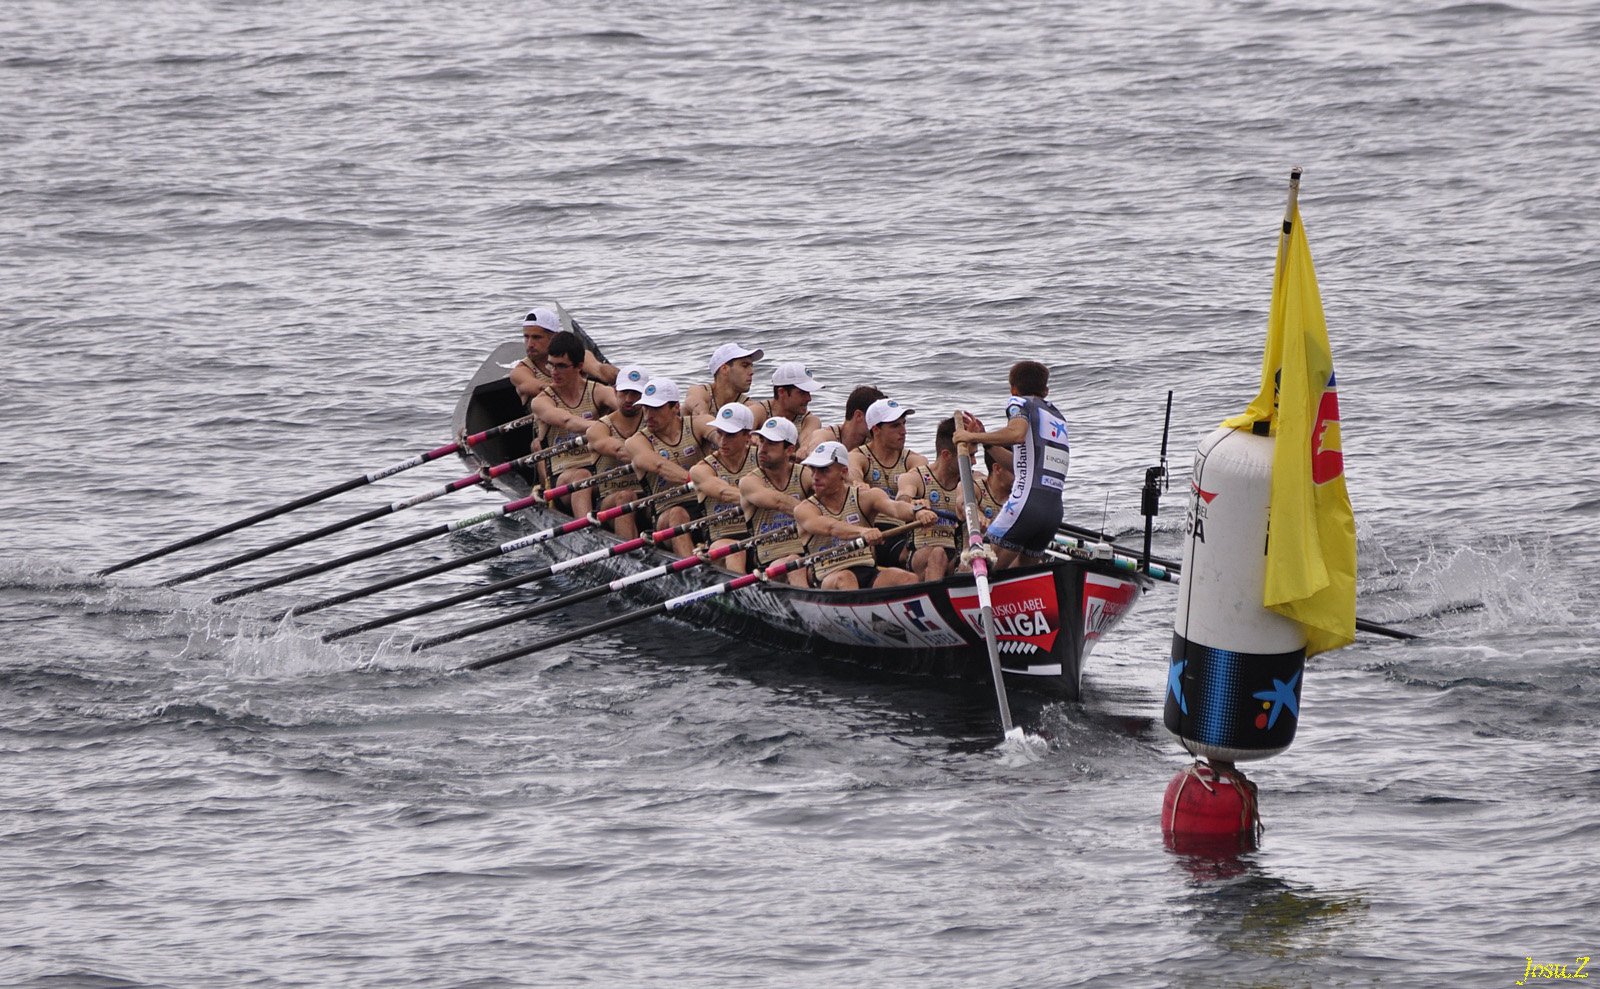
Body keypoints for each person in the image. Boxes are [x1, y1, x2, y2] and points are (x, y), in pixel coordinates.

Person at [953, 359, 1070, 570]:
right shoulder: (1057, 417)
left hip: (1024, 506)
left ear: (1013, 389)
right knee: (1019, 575)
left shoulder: (1019, 403)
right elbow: (1021, 466)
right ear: (1046, 390)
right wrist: (982, 440)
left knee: (974, 566)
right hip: (1052, 513)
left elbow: (1016, 433)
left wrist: (968, 435)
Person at [794, 442, 936, 590]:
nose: (815, 477)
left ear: (843, 472)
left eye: (823, 470)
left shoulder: (865, 497)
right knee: (846, 579)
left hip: (867, 569)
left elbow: (895, 507)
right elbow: (831, 527)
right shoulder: (804, 509)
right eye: (813, 470)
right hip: (828, 576)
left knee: (908, 578)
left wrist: (917, 512)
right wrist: (862, 531)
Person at [622, 378, 719, 557]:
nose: (648, 414)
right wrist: (697, 481)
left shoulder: (697, 424)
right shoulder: (636, 441)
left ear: (675, 407)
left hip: (706, 506)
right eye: (646, 407)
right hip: (666, 514)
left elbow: (719, 435)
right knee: (678, 514)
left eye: (656, 408)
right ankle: (691, 571)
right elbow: (659, 466)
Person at [530, 332, 617, 518]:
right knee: (581, 477)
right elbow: (567, 421)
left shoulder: (598, 391)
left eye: (561, 366)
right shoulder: (542, 401)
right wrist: (601, 427)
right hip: (563, 476)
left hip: (600, 470)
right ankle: (586, 530)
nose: (554, 372)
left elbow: (626, 408)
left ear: (579, 366)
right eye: (551, 365)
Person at [850, 397, 929, 567]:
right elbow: (852, 472)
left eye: (904, 424)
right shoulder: (858, 456)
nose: (903, 431)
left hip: (902, 527)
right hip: (870, 530)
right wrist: (858, 483)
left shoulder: (914, 459)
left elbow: (919, 475)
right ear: (876, 429)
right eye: (895, 426)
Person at [739, 417, 812, 587]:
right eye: (762, 441)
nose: (762, 449)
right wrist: (815, 516)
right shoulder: (749, 482)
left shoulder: (805, 475)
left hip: (808, 556)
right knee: (793, 562)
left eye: (771, 443)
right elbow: (779, 502)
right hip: (769, 563)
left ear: (789, 450)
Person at [688, 403, 760, 572]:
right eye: (720, 433)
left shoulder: (761, 460)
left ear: (747, 436)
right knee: (736, 551)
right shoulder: (702, 469)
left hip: (760, 537)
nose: (723, 441)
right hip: (722, 539)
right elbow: (724, 493)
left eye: (730, 435)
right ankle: (744, 597)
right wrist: (765, 500)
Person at [584, 365, 650, 538]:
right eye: (624, 392)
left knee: (676, 511)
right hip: (610, 502)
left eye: (635, 394)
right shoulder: (599, 428)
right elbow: (620, 451)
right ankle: (630, 555)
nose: (629, 399)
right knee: (625, 497)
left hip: (647, 499)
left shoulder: (654, 423)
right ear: (614, 391)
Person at [896, 417, 964, 581]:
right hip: (921, 552)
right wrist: (916, 507)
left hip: (955, 552)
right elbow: (901, 500)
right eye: (968, 457)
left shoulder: (970, 482)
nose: (974, 462)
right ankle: (935, 600)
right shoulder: (916, 477)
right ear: (946, 455)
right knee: (938, 553)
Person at [509, 306, 617, 408]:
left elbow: (600, 370)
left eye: (537, 337)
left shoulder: (578, 355)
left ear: (554, 337)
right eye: (526, 337)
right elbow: (540, 387)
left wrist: (620, 378)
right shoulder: (521, 371)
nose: (530, 344)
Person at [799, 385, 883, 461]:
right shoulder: (826, 435)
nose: (883, 424)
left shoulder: (875, 441)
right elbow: (815, 446)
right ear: (859, 416)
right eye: (877, 417)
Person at [685, 343, 763, 418]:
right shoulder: (701, 392)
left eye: (751, 366)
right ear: (724, 369)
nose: (752, 372)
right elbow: (696, 400)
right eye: (745, 366)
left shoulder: (749, 405)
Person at [747, 363, 823, 440]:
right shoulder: (757, 412)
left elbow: (805, 448)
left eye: (808, 392)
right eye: (802, 393)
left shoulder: (809, 420)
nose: (809, 398)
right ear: (781, 392)